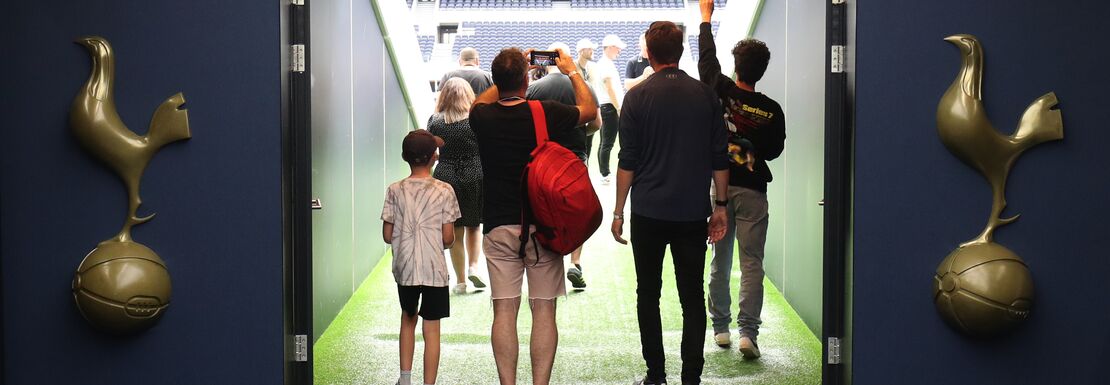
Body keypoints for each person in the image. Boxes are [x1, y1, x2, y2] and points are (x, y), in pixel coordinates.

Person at [469, 47, 597, 385]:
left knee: (504, 311)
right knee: (543, 310)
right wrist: (571, 71)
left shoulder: (482, 117)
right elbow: (589, 110)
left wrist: (512, 71)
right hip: (542, 226)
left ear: (497, 80)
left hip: (498, 225)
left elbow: (477, 104)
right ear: (527, 80)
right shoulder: (545, 112)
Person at [611, 21, 729, 385]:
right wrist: (721, 205)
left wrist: (618, 212)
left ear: (649, 50)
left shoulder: (637, 97)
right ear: (679, 51)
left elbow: (627, 160)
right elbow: (719, 158)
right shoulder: (705, 95)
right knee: (692, 295)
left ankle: (656, 375)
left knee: (648, 293)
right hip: (693, 213)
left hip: (648, 211)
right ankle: (691, 376)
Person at [700, 0, 786, 360]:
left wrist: (706, 19)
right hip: (753, 192)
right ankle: (747, 334)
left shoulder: (720, 90)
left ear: (735, 67)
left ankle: (721, 329)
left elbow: (707, 62)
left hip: (718, 188)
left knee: (721, 258)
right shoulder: (772, 109)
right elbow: (775, 152)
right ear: (762, 71)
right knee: (752, 262)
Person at [381, 129, 461, 385]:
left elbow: (386, 234)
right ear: (435, 156)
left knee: (408, 317)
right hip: (434, 269)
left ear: (405, 156)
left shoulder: (395, 190)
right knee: (432, 327)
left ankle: (405, 378)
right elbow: (448, 238)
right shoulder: (445, 190)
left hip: (405, 268)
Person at [526, 42, 601, 290]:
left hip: (543, 161)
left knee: (544, 211)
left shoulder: (534, 88)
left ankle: (548, 264)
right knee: (576, 212)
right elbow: (597, 124)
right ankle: (575, 262)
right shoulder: (584, 86)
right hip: (574, 158)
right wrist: (578, 128)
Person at [428, 77, 487, 295]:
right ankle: (474, 267)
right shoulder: (475, 120)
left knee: (454, 229)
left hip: (445, 176)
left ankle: (461, 282)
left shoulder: (435, 121)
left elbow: (432, 151)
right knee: (474, 225)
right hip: (474, 172)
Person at [592, 34, 626, 186]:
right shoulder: (605, 64)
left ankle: (604, 173)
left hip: (607, 106)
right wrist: (618, 107)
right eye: (617, 48)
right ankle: (605, 173)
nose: (619, 51)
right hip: (610, 107)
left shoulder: (605, 63)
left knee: (605, 142)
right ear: (611, 47)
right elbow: (610, 88)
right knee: (608, 142)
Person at [574, 38, 600, 161]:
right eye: (589, 49)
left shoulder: (593, 67)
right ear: (581, 51)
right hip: (579, 114)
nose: (592, 51)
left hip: (591, 113)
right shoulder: (572, 68)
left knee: (588, 149)